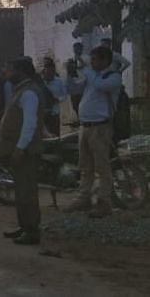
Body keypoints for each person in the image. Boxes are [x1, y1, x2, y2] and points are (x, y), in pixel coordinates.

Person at [64, 46, 122, 218]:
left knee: (102, 167)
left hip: (100, 127)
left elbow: (99, 86)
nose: (93, 62)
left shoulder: (113, 77)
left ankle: (104, 203)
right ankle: (84, 198)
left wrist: (87, 70)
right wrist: (71, 73)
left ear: (105, 61)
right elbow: (74, 88)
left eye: (96, 59)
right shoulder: (92, 75)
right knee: (85, 166)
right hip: (86, 126)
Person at [0, 57, 44, 245]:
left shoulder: (29, 93)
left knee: (27, 191)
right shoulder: (22, 91)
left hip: (25, 150)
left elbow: (29, 124)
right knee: (20, 190)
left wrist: (20, 148)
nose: (7, 73)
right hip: (18, 148)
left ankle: (32, 231)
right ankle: (24, 226)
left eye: (10, 69)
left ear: (21, 71)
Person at [41, 58, 67, 136]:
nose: (49, 71)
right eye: (47, 68)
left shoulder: (59, 81)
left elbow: (65, 96)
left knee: (55, 134)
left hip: (54, 113)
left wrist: (57, 99)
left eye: (51, 69)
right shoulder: (41, 82)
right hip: (43, 113)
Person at [69, 42, 89, 117]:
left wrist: (79, 60)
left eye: (77, 49)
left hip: (84, 85)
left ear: (81, 49)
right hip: (74, 85)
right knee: (75, 105)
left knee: (83, 104)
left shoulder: (86, 58)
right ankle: (80, 118)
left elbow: (87, 67)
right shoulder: (72, 58)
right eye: (74, 49)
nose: (75, 51)